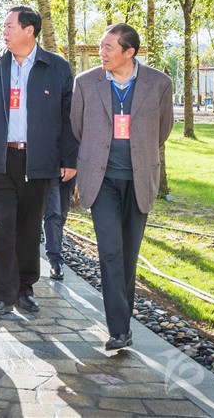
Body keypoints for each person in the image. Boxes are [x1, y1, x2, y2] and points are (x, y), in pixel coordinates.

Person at [0, 6, 78, 316]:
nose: (4, 32)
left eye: (9, 26)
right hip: (0, 159)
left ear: (29, 31)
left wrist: (69, 158)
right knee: (3, 227)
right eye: (4, 27)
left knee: (29, 228)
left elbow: (68, 118)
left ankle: (25, 288)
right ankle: (1, 293)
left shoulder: (57, 68)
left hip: (39, 160)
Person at [71, 23, 173, 350]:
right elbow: (77, 127)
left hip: (139, 178)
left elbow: (163, 129)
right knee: (110, 251)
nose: (101, 53)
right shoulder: (86, 83)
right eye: (101, 46)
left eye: (109, 47)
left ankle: (123, 324)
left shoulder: (159, 84)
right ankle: (118, 328)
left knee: (129, 254)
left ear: (129, 52)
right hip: (102, 180)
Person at [42, 175, 77, 280]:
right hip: (47, 170)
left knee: (61, 213)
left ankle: (55, 255)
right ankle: (55, 259)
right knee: (53, 213)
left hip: (69, 170)